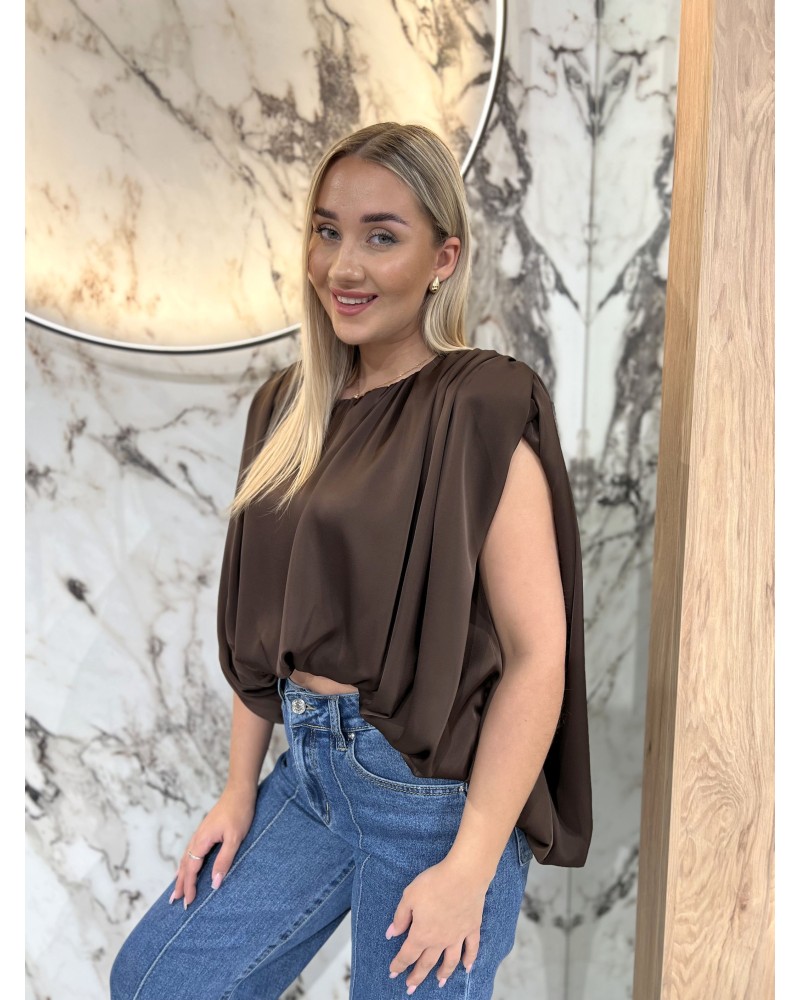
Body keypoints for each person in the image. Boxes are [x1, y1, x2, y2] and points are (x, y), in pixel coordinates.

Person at [110, 122, 591, 1000]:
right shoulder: (287, 406)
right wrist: (238, 789)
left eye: (381, 236)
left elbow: (537, 657)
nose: (343, 266)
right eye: (328, 231)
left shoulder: (480, 405)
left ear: (444, 257)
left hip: (434, 803)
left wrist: (470, 866)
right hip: (310, 776)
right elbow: (266, 626)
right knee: (158, 982)